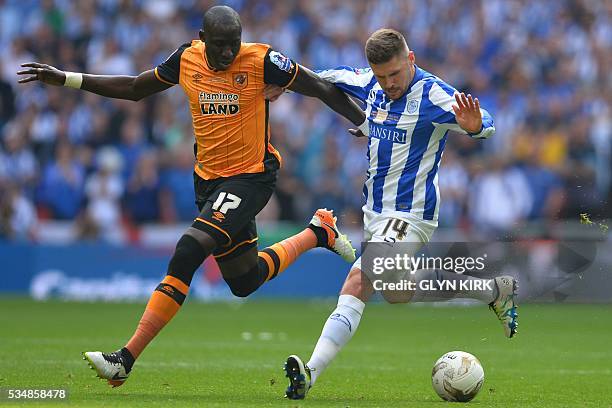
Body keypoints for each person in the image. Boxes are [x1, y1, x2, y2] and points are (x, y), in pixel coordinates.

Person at [17, 5, 368, 388]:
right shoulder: (186, 58)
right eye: (218, 46)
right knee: (244, 280)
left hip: (251, 177)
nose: (226, 54)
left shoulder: (263, 60)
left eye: (233, 45)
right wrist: (68, 78)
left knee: (188, 250)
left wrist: (366, 123)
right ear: (202, 40)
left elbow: (319, 86)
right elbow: (136, 88)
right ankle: (319, 233)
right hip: (208, 183)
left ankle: (125, 359)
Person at [269, 29, 519, 400]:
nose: (389, 84)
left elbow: (486, 120)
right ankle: (493, 290)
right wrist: (284, 84)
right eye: (382, 76)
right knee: (397, 292)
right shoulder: (369, 82)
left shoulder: (433, 94)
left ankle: (310, 372)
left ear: (411, 59)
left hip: (410, 212)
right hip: (376, 212)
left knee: (360, 278)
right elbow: (324, 78)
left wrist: (475, 127)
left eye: (395, 75)